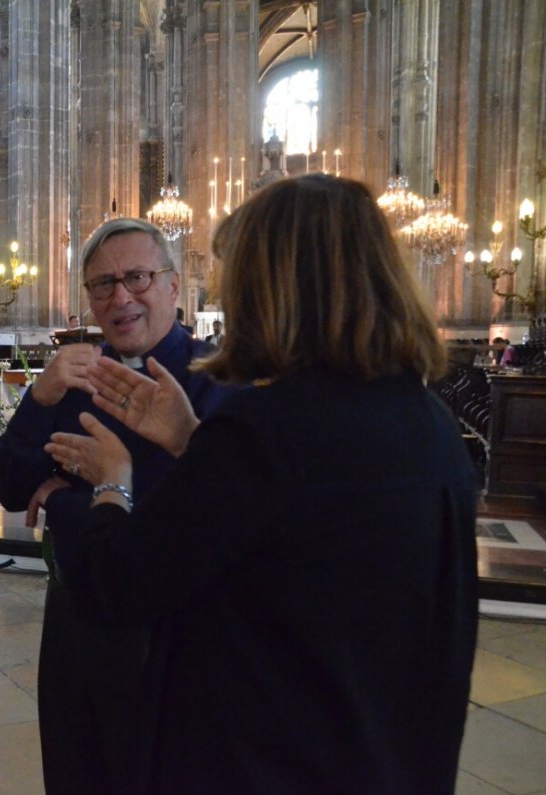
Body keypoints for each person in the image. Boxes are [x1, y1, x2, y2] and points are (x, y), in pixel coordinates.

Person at [46, 174, 477, 792]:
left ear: (274, 288)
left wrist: (111, 484)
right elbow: (306, 549)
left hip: (267, 759)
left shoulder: (265, 429)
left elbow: (118, 589)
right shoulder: (428, 424)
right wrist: (194, 442)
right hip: (387, 757)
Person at [0, 218, 233, 792]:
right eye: (103, 284)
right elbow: (9, 485)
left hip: (173, 631)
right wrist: (40, 396)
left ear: (175, 287)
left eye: (138, 277)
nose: (121, 296)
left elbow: (201, 511)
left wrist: (75, 498)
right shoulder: (74, 378)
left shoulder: (218, 381)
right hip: (78, 625)